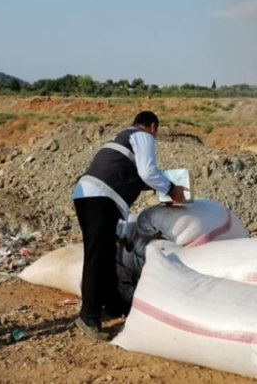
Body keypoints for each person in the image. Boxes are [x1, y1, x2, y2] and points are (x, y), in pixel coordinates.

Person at [72, 110, 187, 340]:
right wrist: (171, 189)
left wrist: (162, 185)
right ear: (153, 126)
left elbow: (135, 176)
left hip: (88, 195)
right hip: (100, 198)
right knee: (97, 256)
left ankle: (114, 305)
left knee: (105, 254)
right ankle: (88, 317)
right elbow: (147, 172)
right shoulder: (142, 136)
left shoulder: (122, 138)